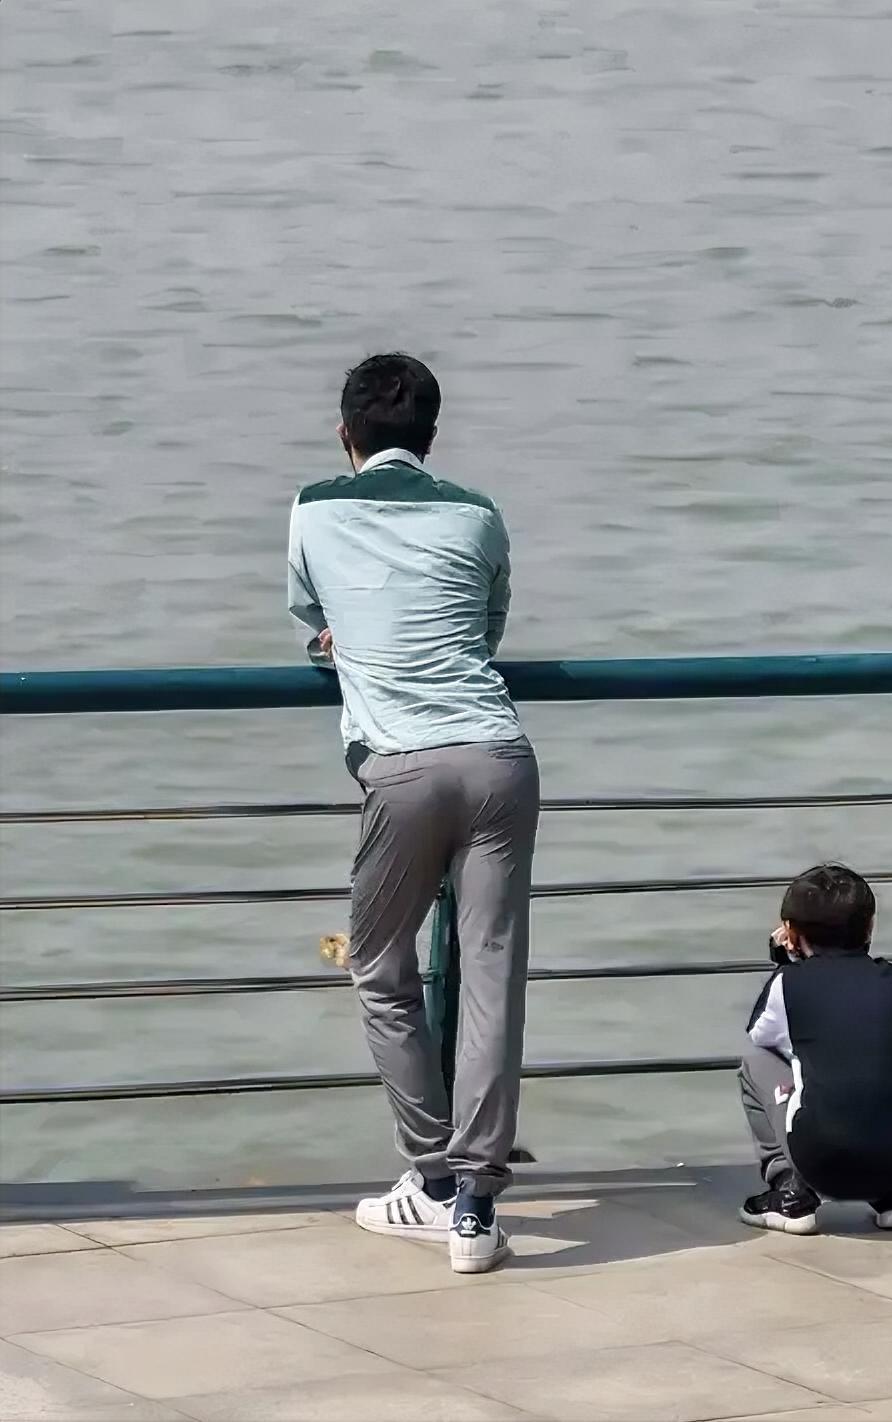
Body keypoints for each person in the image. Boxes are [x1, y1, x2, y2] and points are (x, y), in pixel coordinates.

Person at [287, 353, 538, 1274]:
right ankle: (477, 1203)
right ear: (432, 436)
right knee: (491, 974)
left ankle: (431, 1176)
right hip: (500, 759)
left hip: (401, 769)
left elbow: (311, 613)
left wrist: (344, 643)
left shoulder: (314, 508)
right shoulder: (478, 513)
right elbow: (486, 630)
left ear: (345, 435)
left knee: (380, 966)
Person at [737, 863, 892, 1236]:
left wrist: (785, 963)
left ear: (790, 932)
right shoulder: (891, 977)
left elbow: (761, 1035)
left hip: (823, 1162)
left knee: (756, 1063)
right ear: (870, 927)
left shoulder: (789, 981)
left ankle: (790, 1191)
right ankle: (890, 1195)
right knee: (880, 1054)